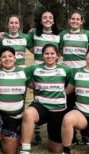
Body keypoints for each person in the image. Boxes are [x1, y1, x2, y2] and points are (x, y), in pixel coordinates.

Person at [20, 44, 73, 153]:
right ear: (42, 56)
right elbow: (19, 74)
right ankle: (25, 150)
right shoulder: (35, 68)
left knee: (56, 149)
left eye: (52, 53)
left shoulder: (66, 70)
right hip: (41, 106)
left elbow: (75, 79)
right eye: (46, 54)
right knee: (28, 114)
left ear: (57, 56)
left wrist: (65, 92)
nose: (49, 56)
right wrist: (34, 86)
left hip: (58, 109)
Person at [59, 11, 89, 145]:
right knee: (68, 103)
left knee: (83, 101)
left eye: (77, 19)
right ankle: (72, 135)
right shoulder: (63, 34)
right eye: (72, 19)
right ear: (69, 21)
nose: (75, 21)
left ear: (82, 21)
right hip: (67, 73)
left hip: (84, 73)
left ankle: (85, 134)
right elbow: (57, 49)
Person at [27, 10, 61, 144]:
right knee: (38, 99)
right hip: (39, 72)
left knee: (53, 98)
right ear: (40, 21)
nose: (47, 19)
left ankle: (55, 125)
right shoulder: (33, 33)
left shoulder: (59, 35)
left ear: (53, 21)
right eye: (44, 18)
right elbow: (24, 42)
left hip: (53, 72)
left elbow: (61, 50)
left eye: (50, 17)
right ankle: (36, 132)